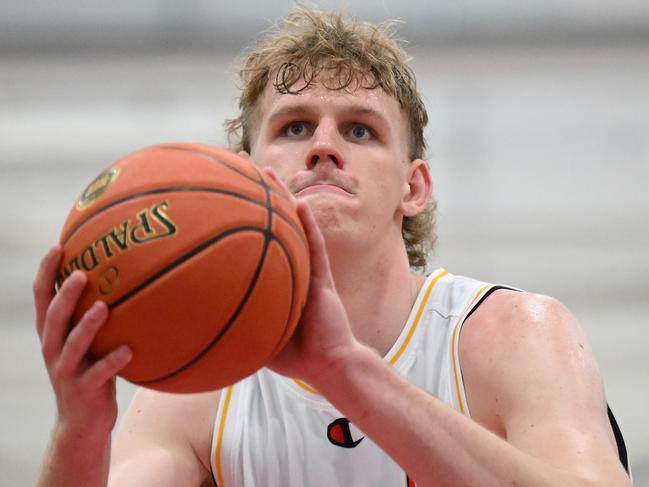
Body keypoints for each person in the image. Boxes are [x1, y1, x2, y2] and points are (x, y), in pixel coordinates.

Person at [33, 7, 632, 487]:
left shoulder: (514, 334)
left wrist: (343, 371)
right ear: (245, 175)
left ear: (413, 186)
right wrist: (79, 432)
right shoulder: (192, 395)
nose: (323, 146)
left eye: (359, 130)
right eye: (294, 126)